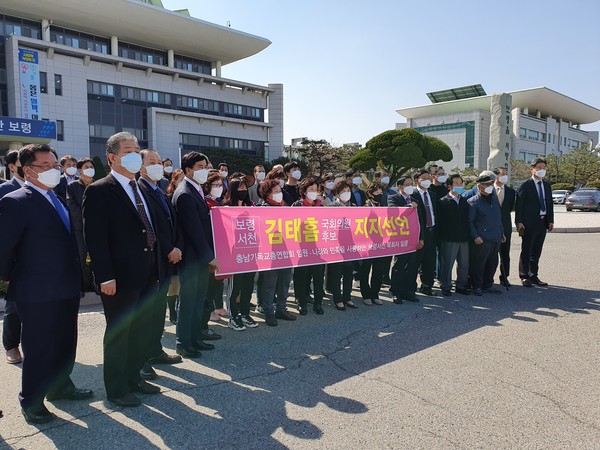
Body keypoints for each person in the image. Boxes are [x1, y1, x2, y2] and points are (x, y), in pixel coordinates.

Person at [0, 144, 92, 424]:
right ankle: (32, 400)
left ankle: (61, 386)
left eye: (56, 165)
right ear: (28, 170)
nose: (55, 170)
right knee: (40, 346)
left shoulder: (57, 198)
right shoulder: (15, 201)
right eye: (47, 166)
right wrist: (16, 279)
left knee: (65, 341)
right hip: (36, 290)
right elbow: (4, 250)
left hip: (65, 285)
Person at [83, 131, 162, 407]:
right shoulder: (99, 190)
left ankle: (134, 378)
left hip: (148, 271)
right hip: (118, 277)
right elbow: (95, 239)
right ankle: (117, 389)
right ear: (112, 157)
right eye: (128, 150)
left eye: (136, 149)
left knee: (141, 330)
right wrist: (105, 275)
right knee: (120, 333)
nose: (135, 154)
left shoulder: (140, 186)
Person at [137, 149, 183, 380]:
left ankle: (154, 350)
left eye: (159, 162)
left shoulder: (160, 191)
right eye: (152, 162)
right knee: (146, 314)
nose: (157, 166)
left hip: (165, 261)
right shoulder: (139, 191)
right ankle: (141, 359)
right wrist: (169, 248)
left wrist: (177, 247)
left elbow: (170, 223)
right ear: (140, 165)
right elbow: (149, 225)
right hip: (152, 258)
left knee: (158, 312)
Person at [171, 151, 220, 357]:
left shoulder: (196, 189)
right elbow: (194, 232)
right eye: (200, 167)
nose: (205, 170)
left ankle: (195, 338)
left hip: (199, 257)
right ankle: (183, 342)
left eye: (206, 166)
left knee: (199, 299)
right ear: (188, 170)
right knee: (189, 300)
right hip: (192, 258)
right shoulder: (184, 194)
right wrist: (210, 256)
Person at [256, 179, 296, 326]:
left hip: (286, 250)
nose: (280, 194)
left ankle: (281, 308)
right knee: (270, 283)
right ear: (267, 194)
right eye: (276, 192)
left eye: (280, 191)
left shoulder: (285, 206)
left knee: (285, 280)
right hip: (270, 252)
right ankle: (268, 311)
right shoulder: (261, 208)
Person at [221, 177, 259, 331]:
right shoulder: (225, 207)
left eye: (245, 188)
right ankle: (233, 316)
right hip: (234, 255)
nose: (243, 190)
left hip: (251, 253)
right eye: (240, 187)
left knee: (248, 285)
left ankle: (245, 313)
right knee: (234, 286)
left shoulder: (252, 206)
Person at [0, 150, 26, 365]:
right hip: (16, 258)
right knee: (14, 306)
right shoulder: (5, 190)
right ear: (11, 167)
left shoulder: (46, 189)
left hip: (39, 257)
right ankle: (11, 345)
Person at [515, 158, 554, 288]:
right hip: (528, 223)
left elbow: (549, 204)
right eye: (538, 167)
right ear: (532, 169)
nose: (541, 170)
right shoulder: (525, 185)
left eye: (544, 167)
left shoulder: (547, 185)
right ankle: (524, 276)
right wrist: (519, 222)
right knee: (526, 250)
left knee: (536, 251)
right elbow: (519, 205)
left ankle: (533, 275)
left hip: (542, 222)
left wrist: (551, 220)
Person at [467, 171, 505, 296]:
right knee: (479, 263)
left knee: (492, 263)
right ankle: (477, 286)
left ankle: (488, 285)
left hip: (495, 237)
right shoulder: (473, 201)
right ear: (479, 186)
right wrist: (475, 236)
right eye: (487, 184)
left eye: (491, 183)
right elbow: (470, 222)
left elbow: (498, 218)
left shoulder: (494, 199)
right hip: (482, 239)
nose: (490, 186)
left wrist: (502, 233)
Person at [292, 177, 326, 315]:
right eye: (310, 189)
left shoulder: (321, 206)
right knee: (301, 275)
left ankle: (318, 303)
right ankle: (301, 301)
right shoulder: (297, 206)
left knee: (318, 276)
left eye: (315, 189)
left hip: (318, 247)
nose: (314, 192)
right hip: (301, 247)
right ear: (304, 191)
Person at [388, 177, 422, 303]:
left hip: (413, 239)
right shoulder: (393, 198)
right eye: (407, 184)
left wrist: (421, 238)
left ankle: (408, 291)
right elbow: (393, 212)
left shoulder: (415, 200)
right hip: (400, 238)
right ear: (400, 186)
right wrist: (408, 206)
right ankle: (396, 291)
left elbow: (420, 221)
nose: (409, 186)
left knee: (412, 266)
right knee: (399, 265)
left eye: (410, 184)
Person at [436, 174, 470, 296]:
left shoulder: (465, 201)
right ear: (449, 185)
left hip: (464, 238)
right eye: (456, 183)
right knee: (447, 264)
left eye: (460, 183)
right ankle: (446, 285)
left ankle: (461, 285)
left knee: (464, 264)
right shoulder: (442, 201)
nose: (459, 185)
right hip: (448, 238)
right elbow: (439, 222)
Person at [66, 157, 96, 293]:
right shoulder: (73, 186)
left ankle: (97, 285)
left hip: (97, 228)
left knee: (98, 255)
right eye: (86, 167)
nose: (90, 169)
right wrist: (87, 219)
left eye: (91, 167)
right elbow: (73, 208)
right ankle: (85, 286)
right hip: (81, 229)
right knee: (83, 257)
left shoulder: (98, 185)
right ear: (79, 170)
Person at [359, 181, 392, 305]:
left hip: (380, 243)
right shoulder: (365, 207)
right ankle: (366, 294)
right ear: (370, 194)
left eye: (381, 192)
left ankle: (375, 293)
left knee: (378, 269)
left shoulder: (383, 206)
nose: (379, 194)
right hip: (367, 244)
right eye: (377, 192)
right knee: (365, 269)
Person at [327, 180, 358, 311]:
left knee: (348, 273)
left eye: (348, 191)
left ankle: (347, 297)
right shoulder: (332, 207)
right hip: (336, 246)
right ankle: (338, 299)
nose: (346, 194)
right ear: (337, 194)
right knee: (336, 273)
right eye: (343, 191)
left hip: (350, 246)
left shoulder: (355, 207)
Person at [204, 171, 228, 322]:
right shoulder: (206, 203)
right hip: (209, 247)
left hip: (219, 247)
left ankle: (216, 306)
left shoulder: (218, 202)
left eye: (221, 185)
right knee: (209, 282)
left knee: (217, 280)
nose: (219, 188)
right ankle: (210, 310)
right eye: (216, 185)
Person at [411, 169, 438, 296]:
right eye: (424, 178)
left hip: (432, 232)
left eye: (429, 177)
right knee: (415, 261)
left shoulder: (432, 194)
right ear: (416, 180)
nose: (427, 180)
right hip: (418, 233)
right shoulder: (412, 195)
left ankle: (427, 286)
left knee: (430, 261)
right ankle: (411, 287)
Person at [493, 167, 516, 288]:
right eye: (502, 174)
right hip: (491, 226)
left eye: (506, 174)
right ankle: (488, 277)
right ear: (496, 176)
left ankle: (504, 277)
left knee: (505, 252)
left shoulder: (511, 192)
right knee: (490, 253)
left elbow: (511, 208)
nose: (505, 176)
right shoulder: (489, 190)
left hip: (506, 225)